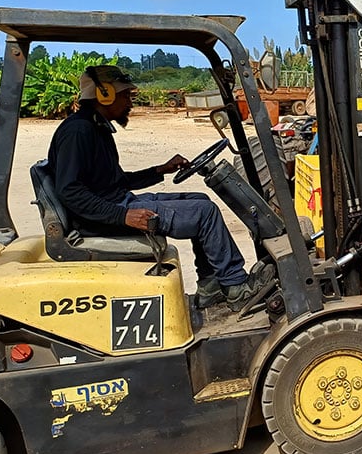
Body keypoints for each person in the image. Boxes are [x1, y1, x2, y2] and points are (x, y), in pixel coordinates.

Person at [47, 64, 270, 311]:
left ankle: (212, 286)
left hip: (114, 205)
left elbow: (116, 182)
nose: (130, 103)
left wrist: (160, 170)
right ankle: (236, 287)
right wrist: (124, 216)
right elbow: (70, 191)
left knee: (200, 200)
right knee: (205, 214)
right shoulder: (79, 131)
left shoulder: (95, 127)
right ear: (105, 94)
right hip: (101, 219)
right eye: (126, 96)